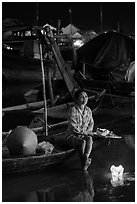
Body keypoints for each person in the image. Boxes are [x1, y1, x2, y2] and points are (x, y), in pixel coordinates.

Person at [66, 90, 94, 171]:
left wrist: (88, 132)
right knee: (83, 142)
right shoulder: (73, 110)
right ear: (76, 99)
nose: (84, 99)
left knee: (90, 139)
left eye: (86, 97)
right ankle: (83, 163)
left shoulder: (88, 110)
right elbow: (73, 127)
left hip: (84, 135)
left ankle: (86, 157)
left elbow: (91, 124)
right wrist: (84, 133)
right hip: (72, 136)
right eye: (81, 97)